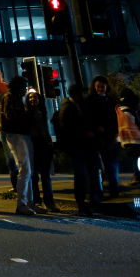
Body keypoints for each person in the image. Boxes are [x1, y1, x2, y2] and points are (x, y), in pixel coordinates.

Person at [56, 83, 94, 216]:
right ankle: (82, 203)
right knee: (81, 175)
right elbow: (68, 129)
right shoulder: (68, 108)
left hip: (82, 146)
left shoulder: (77, 106)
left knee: (85, 173)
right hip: (77, 147)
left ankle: (85, 202)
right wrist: (84, 133)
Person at [0, 75, 35, 215]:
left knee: (27, 170)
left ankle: (28, 202)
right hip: (16, 135)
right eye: (24, 87)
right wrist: (27, 116)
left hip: (16, 134)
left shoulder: (11, 97)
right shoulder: (11, 98)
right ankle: (23, 203)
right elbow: (12, 117)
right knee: (25, 169)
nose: (25, 90)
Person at [83, 75, 119, 201]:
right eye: (98, 86)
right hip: (97, 138)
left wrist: (114, 133)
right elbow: (88, 119)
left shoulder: (111, 101)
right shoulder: (90, 101)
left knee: (111, 165)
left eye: (102, 86)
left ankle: (113, 189)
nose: (100, 88)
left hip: (108, 137)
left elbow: (116, 119)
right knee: (99, 166)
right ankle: (101, 190)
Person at [26, 89, 58, 212]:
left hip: (44, 147)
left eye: (35, 97)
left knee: (45, 176)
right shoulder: (28, 114)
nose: (32, 100)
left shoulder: (42, 113)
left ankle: (48, 202)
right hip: (34, 147)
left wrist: (49, 145)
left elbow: (45, 131)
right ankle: (37, 201)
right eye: (30, 98)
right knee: (34, 176)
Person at [116, 89, 140, 188]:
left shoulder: (126, 111)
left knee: (137, 162)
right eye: (139, 102)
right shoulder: (128, 113)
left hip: (131, 143)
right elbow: (132, 129)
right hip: (134, 142)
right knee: (138, 163)